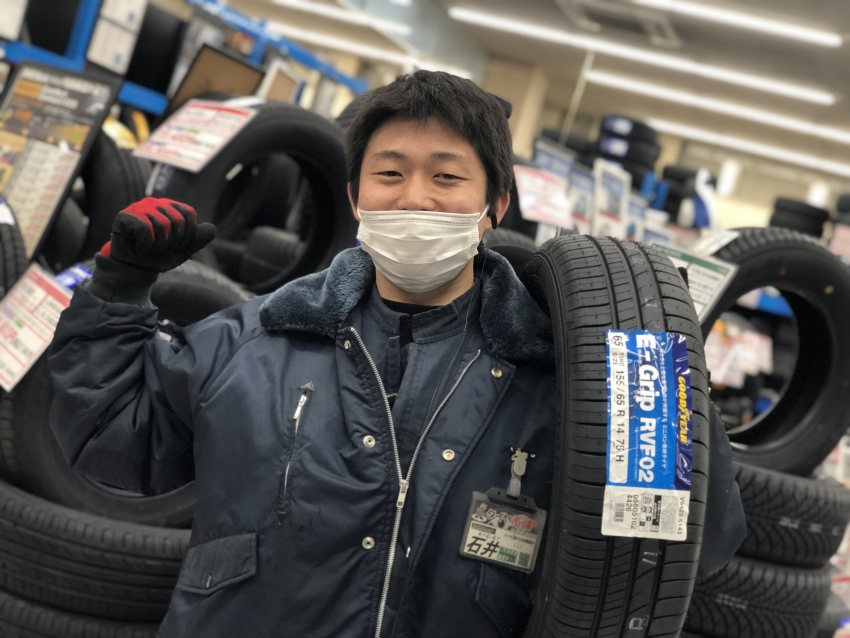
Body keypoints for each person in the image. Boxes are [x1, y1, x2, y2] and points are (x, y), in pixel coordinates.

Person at [48, 71, 744, 637]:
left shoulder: (567, 385)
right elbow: (111, 444)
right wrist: (117, 293)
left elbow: (686, 550)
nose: (415, 199)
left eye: (447, 178)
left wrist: (663, 368)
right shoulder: (257, 337)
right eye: (390, 173)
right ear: (355, 197)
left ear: (495, 205)